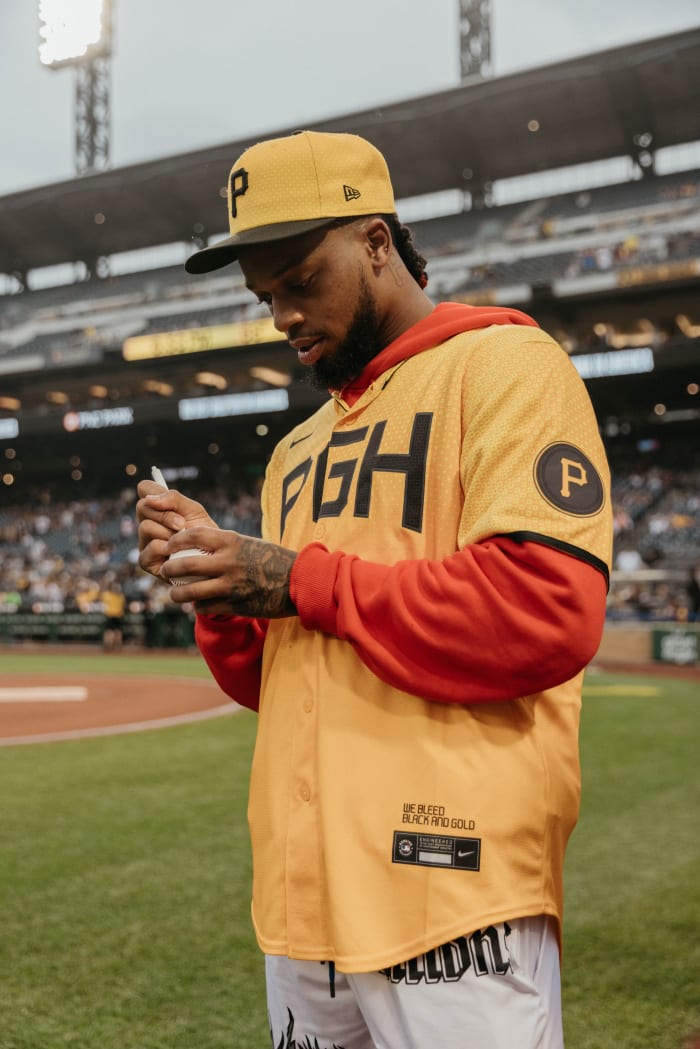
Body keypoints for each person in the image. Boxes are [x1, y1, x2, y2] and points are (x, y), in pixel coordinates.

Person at [136, 131, 613, 1049]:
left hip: (451, 888)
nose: (281, 313)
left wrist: (291, 576)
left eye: (300, 280)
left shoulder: (506, 366)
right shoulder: (296, 449)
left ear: (376, 241)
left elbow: (545, 608)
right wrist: (219, 587)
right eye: (264, 294)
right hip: (303, 900)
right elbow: (285, 678)